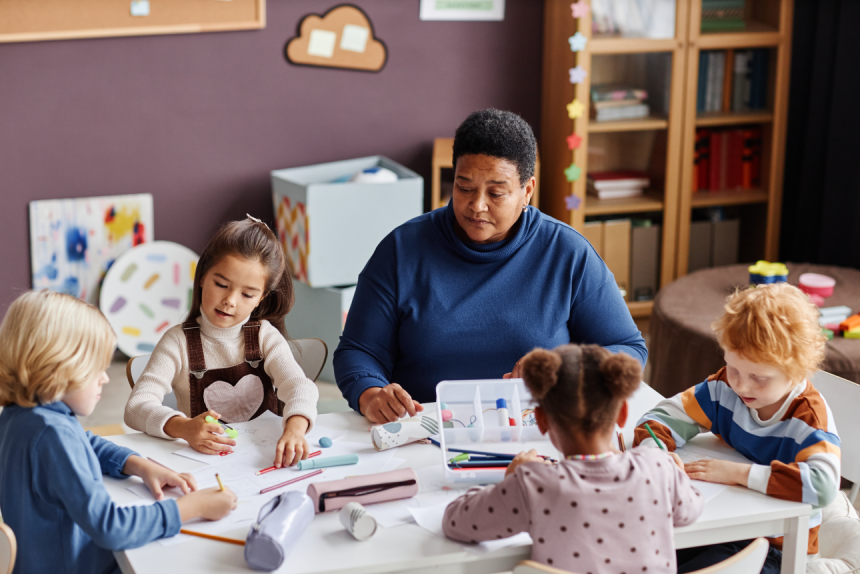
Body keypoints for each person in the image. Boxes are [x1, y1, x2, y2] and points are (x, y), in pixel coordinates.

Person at [335, 109, 647, 424]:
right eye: (464, 188)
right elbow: (359, 350)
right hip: (422, 428)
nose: (477, 205)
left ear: (527, 191)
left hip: (538, 430)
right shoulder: (401, 250)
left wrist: (567, 367)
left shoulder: (568, 253)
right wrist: (371, 394)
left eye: (496, 193)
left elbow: (629, 349)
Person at [0, 290, 237, 574]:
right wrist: (192, 508)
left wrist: (139, 465)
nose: (105, 378)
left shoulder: (23, 414)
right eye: (96, 369)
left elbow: (84, 442)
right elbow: (111, 528)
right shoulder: (52, 434)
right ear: (56, 369)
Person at [634, 283, 840, 573]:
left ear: (797, 370)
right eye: (733, 368)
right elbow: (658, 418)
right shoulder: (724, 388)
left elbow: (823, 487)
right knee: (642, 554)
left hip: (779, 546)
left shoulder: (809, 419)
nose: (741, 386)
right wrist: (656, 453)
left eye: (759, 378)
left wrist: (736, 474)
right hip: (721, 525)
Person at [443, 344, 702, 573]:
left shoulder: (532, 484)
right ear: (623, 413)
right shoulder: (657, 467)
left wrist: (510, 479)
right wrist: (673, 472)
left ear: (541, 420)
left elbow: (455, 522)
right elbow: (690, 511)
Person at [125, 216, 319, 467]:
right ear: (202, 276)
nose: (230, 300)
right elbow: (137, 407)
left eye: (247, 294)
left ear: (261, 298)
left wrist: (295, 430)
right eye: (221, 284)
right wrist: (184, 427)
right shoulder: (177, 342)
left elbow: (299, 386)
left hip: (261, 460)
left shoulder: (264, 336)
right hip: (202, 464)